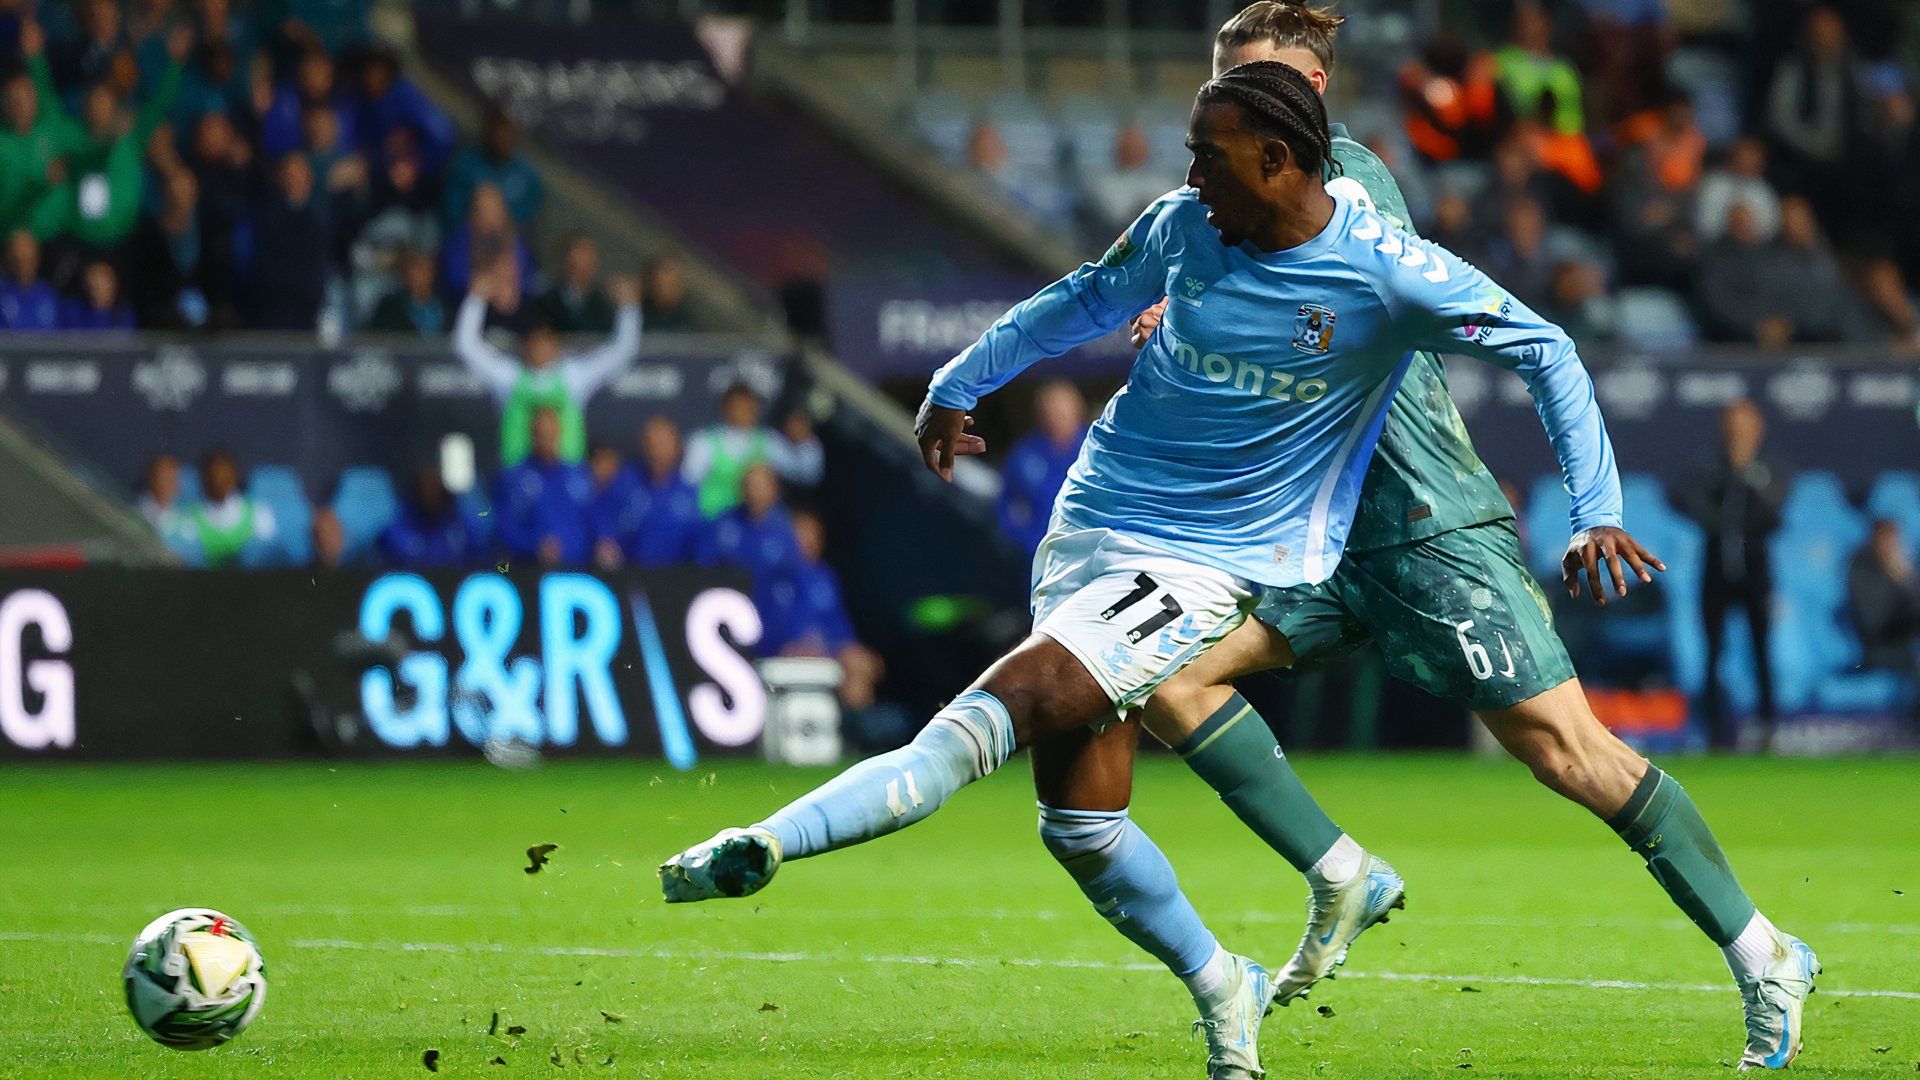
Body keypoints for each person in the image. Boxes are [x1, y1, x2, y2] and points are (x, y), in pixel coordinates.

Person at [659, 58, 1739, 1077]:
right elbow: (1081, 297)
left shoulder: (1380, 271)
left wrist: (1596, 508)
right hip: (1093, 523)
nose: (1189, 176)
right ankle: (1225, 983)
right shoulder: (1186, 228)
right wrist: (959, 378)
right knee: (1080, 821)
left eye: (1209, 155)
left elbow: (1546, 347)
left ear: (1277, 160)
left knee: (1002, 710)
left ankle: (766, 838)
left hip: (1205, 566)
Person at [1114, 9, 1809, 1073]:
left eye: (1251, 83)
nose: (1226, 113)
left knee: (1570, 755)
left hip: (1425, 531)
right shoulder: (1226, 210)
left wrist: (1597, 508)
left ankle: (1766, 953)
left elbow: (1369, 296)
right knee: (1167, 680)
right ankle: (1344, 872)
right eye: (1219, 87)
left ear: (1309, 87)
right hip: (1323, 544)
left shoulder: (1348, 181)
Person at [1680, 399, 1788, 750]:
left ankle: (1768, 725)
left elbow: (1774, 513)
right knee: (1713, 650)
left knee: (1761, 650)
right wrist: (1730, 480)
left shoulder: (1770, 468)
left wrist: (1748, 477)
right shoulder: (1709, 467)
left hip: (1756, 571)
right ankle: (1713, 729)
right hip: (1716, 571)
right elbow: (1689, 501)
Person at [453, 266, 641, 466]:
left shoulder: (573, 376)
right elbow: (466, 346)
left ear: (557, 348)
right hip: (518, 479)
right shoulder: (508, 377)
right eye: (534, 343)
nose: (539, 349)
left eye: (546, 343)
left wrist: (628, 309)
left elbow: (622, 351)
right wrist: (475, 300)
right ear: (525, 348)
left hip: (568, 479)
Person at [682, 383, 824, 518]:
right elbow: (687, 485)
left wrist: (805, 440)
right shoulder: (704, 441)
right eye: (737, 406)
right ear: (725, 408)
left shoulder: (768, 442)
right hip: (710, 522)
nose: (743, 411)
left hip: (753, 526)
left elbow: (808, 475)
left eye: (748, 406)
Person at [588, 416, 705, 569]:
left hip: (677, 578)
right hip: (630, 575)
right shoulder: (624, 483)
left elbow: (700, 542)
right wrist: (605, 543)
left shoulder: (691, 492)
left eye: (662, 443)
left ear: (676, 448)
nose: (655, 450)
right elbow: (601, 517)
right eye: (651, 443)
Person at [996, 379, 1087, 557]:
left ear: (1078, 411)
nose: (1058, 418)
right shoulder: (1026, 454)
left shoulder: (1099, 451)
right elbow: (1006, 503)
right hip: (1040, 557)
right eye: (1052, 411)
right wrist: (1026, 541)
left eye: (1064, 412)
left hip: (1090, 556)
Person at [492, 407, 592, 568]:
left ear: (559, 433)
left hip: (577, 572)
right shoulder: (513, 479)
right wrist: (534, 546)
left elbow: (591, 519)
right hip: (530, 572)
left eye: (551, 434)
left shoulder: (578, 476)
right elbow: (504, 528)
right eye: (542, 434)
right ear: (533, 435)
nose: (547, 439)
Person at [1849, 519, 1920, 677]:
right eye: (1887, 540)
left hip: (1905, 643)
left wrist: (1909, 583)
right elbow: (1875, 623)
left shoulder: (1900, 570)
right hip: (1879, 649)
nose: (1893, 547)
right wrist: (1903, 582)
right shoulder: (1862, 571)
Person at [379, 466, 487, 568]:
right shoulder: (398, 527)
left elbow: (481, 556)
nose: (431, 492)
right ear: (417, 490)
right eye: (426, 486)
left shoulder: (460, 523)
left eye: (435, 486)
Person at [186, 448, 276, 568]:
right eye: (212, 475)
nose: (218, 481)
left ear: (234, 475)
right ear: (204, 479)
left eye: (224, 475)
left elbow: (267, 558)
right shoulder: (188, 517)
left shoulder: (258, 513)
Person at [531, 235, 614, 334]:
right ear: (566, 261)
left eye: (592, 261)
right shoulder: (545, 301)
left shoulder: (603, 304)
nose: (589, 266)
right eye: (581, 253)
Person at [366, 248, 444, 335]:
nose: (421, 274)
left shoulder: (445, 305)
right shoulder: (389, 306)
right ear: (405, 275)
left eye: (426, 269)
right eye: (416, 269)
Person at [0, 229, 60, 331]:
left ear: (37, 258)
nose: (22, 265)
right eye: (18, 259)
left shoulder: (51, 295)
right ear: (9, 258)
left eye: (28, 259)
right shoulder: (2, 294)